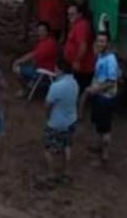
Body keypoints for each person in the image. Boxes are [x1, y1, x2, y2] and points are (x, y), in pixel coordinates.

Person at [80, 32, 119, 164]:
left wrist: (95, 89)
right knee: (98, 124)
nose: (100, 43)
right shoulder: (101, 56)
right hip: (98, 96)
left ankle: (105, 155)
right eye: (98, 41)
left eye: (103, 41)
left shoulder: (111, 60)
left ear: (107, 43)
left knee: (105, 127)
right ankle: (98, 146)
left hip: (105, 98)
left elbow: (111, 81)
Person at [43, 55, 79, 185]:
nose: (55, 71)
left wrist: (47, 117)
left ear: (61, 70)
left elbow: (47, 105)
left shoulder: (56, 86)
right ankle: (66, 173)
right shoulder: (75, 83)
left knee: (48, 149)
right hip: (71, 120)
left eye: (56, 69)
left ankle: (51, 174)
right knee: (67, 147)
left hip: (56, 123)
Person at [12, 21, 59, 97]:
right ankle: (30, 85)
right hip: (41, 68)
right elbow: (34, 54)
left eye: (43, 31)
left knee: (17, 69)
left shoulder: (48, 43)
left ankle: (26, 90)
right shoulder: (46, 41)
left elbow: (33, 55)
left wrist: (18, 61)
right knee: (24, 66)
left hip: (44, 72)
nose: (41, 33)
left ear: (47, 32)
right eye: (39, 30)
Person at [63, 3, 95, 93]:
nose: (69, 16)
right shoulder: (76, 25)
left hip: (83, 67)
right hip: (78, 66)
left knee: (79, 91)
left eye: (72, 14)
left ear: (80, 14)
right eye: (68, 14)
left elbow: (83, 45)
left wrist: (77, 61)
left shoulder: (81, 25)